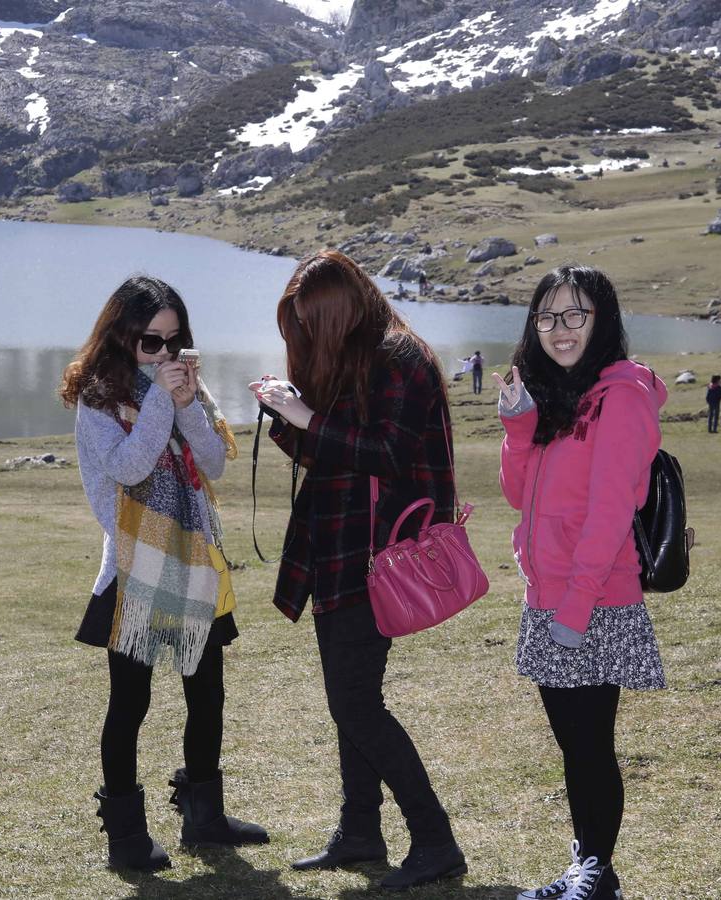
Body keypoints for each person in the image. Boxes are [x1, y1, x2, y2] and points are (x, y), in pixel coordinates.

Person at [251, 250, 466, 891]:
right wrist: (286, 414)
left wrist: (305, 418)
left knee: (356, 703)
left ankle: (434, 841)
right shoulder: (359, 356)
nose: (310, 339)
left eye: (315, 324)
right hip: (342, 550)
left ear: (345, 311)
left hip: (376, 555)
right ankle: (361, 831)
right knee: (350, 702)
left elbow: (389, 456)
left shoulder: (399, 357)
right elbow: (332, 452)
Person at [59, 275, 267, 873]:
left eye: (175, 343)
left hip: (197, 561)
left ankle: (205, 816)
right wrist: (160, 402)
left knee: (208, 694)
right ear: (122, 337)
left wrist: (186, 404)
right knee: (131, 703)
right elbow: (127, 469)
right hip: (135, 570)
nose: (165, 355)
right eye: (152, 342)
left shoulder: (182, 388)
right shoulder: (97, 400)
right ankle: (125, 835)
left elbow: (215, 463)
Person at [494, 264, 666, 900]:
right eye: (547, 316)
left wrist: (575, 605)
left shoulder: (620, 395)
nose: (559, 329)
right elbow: (518, 495)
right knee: (573, 744)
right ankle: (586, 866)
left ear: (603, 320)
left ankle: (598, 871)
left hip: (591, 598)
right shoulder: (560, 396)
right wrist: (518, 425)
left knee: (591, 742)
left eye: (575, 315)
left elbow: (611, 509)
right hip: (549, 596)